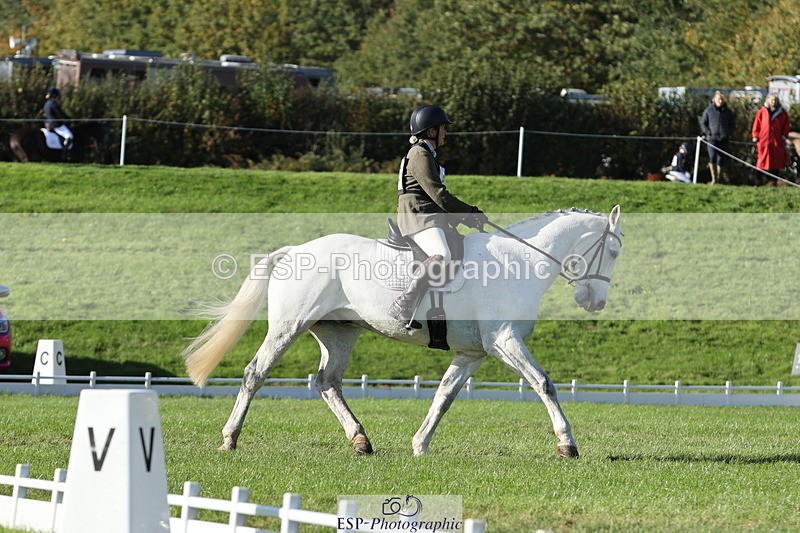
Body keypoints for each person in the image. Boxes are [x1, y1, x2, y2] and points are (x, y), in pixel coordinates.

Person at [390, 105, 488, 328]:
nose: (445, 133)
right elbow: (438, 194)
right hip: (418, 215)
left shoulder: (426, 154)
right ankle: (403, 303)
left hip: (427, 214)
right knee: (441, 253)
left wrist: (464, 218)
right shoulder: (420, 154)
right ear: (431, 132)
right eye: (443, 128)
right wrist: (468, 212)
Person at [751, 93, 791, 185]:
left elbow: (786, 126)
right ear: (768, 100)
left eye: (775, 100)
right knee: (761, 161)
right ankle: (758, 182)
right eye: (772, 100)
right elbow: (756, 124)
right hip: (764, 141)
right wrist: (755, 135)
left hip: (777, 141)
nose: (774, 102)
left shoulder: (782, 113)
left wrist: (784, 136)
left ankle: (773, 182)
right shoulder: (762, 112)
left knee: (776, 162)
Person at [700, 90, 735, 185]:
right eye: (719, 99)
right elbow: (703, 123)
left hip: (723, 138)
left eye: (722, 99)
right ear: (714, 99)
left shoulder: (727, 112)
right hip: (712, 138)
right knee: (712, 157)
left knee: (721, 159)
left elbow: (732, 124)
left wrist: (728, 133)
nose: (720, 101)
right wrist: (708, 132)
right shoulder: (708, 111)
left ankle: (719, 179)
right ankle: (713, 179)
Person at [43, 87, 73, 159]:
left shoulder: (46, 104)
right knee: (69, 136)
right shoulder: (53, 103)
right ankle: (64, 154)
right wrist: (69, 119)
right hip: (56, 125)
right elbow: (60, 114)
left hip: (48, 124)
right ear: (54, 95)